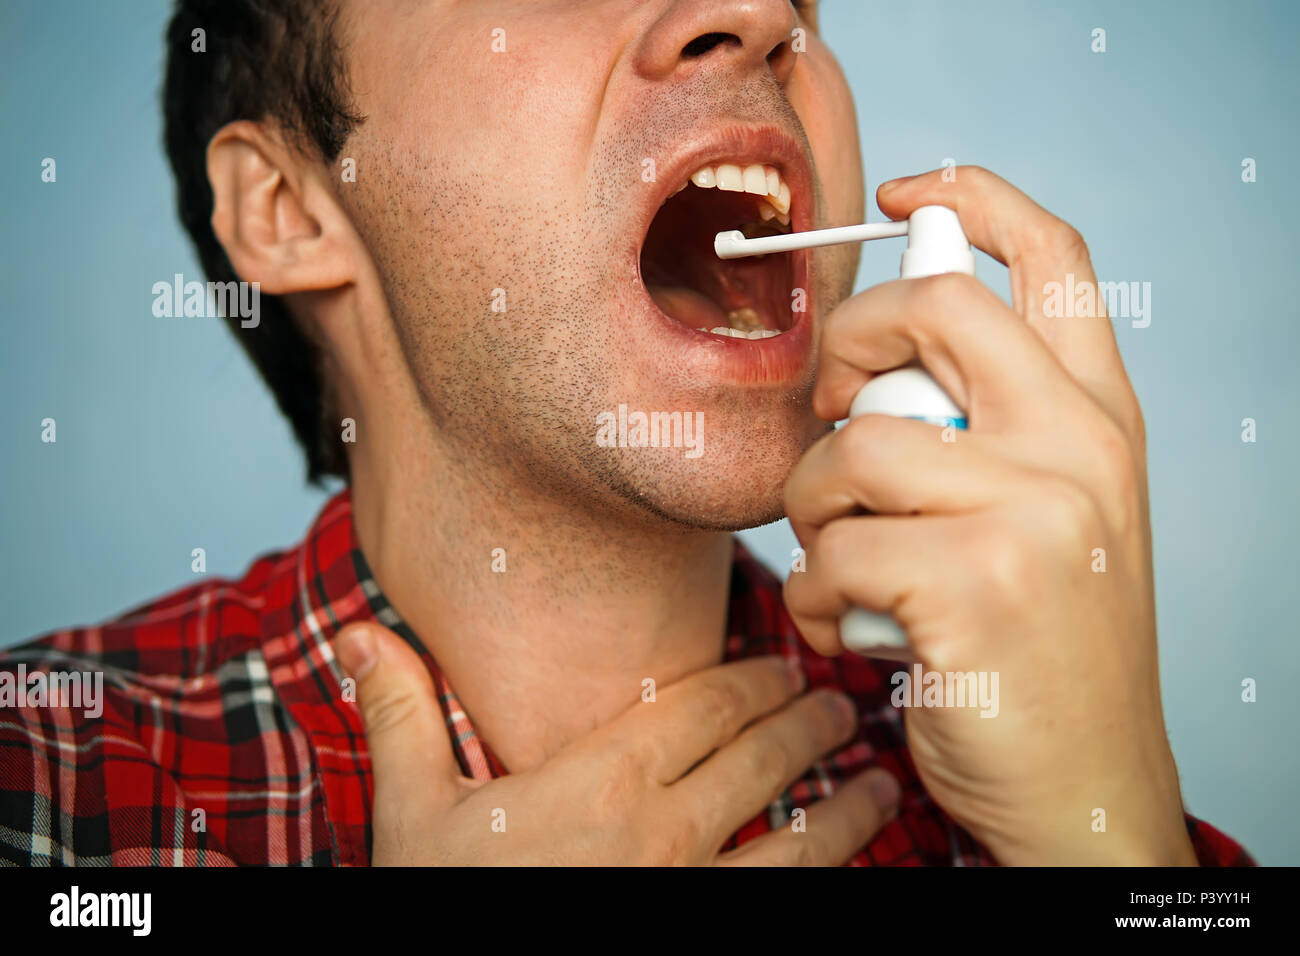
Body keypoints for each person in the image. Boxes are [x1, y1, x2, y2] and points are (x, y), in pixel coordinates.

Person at [0, 0, 1252, 866]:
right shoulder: (49, 776)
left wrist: (1119, 831)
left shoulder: (998, 777)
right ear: (285, 208)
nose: (760, 17)